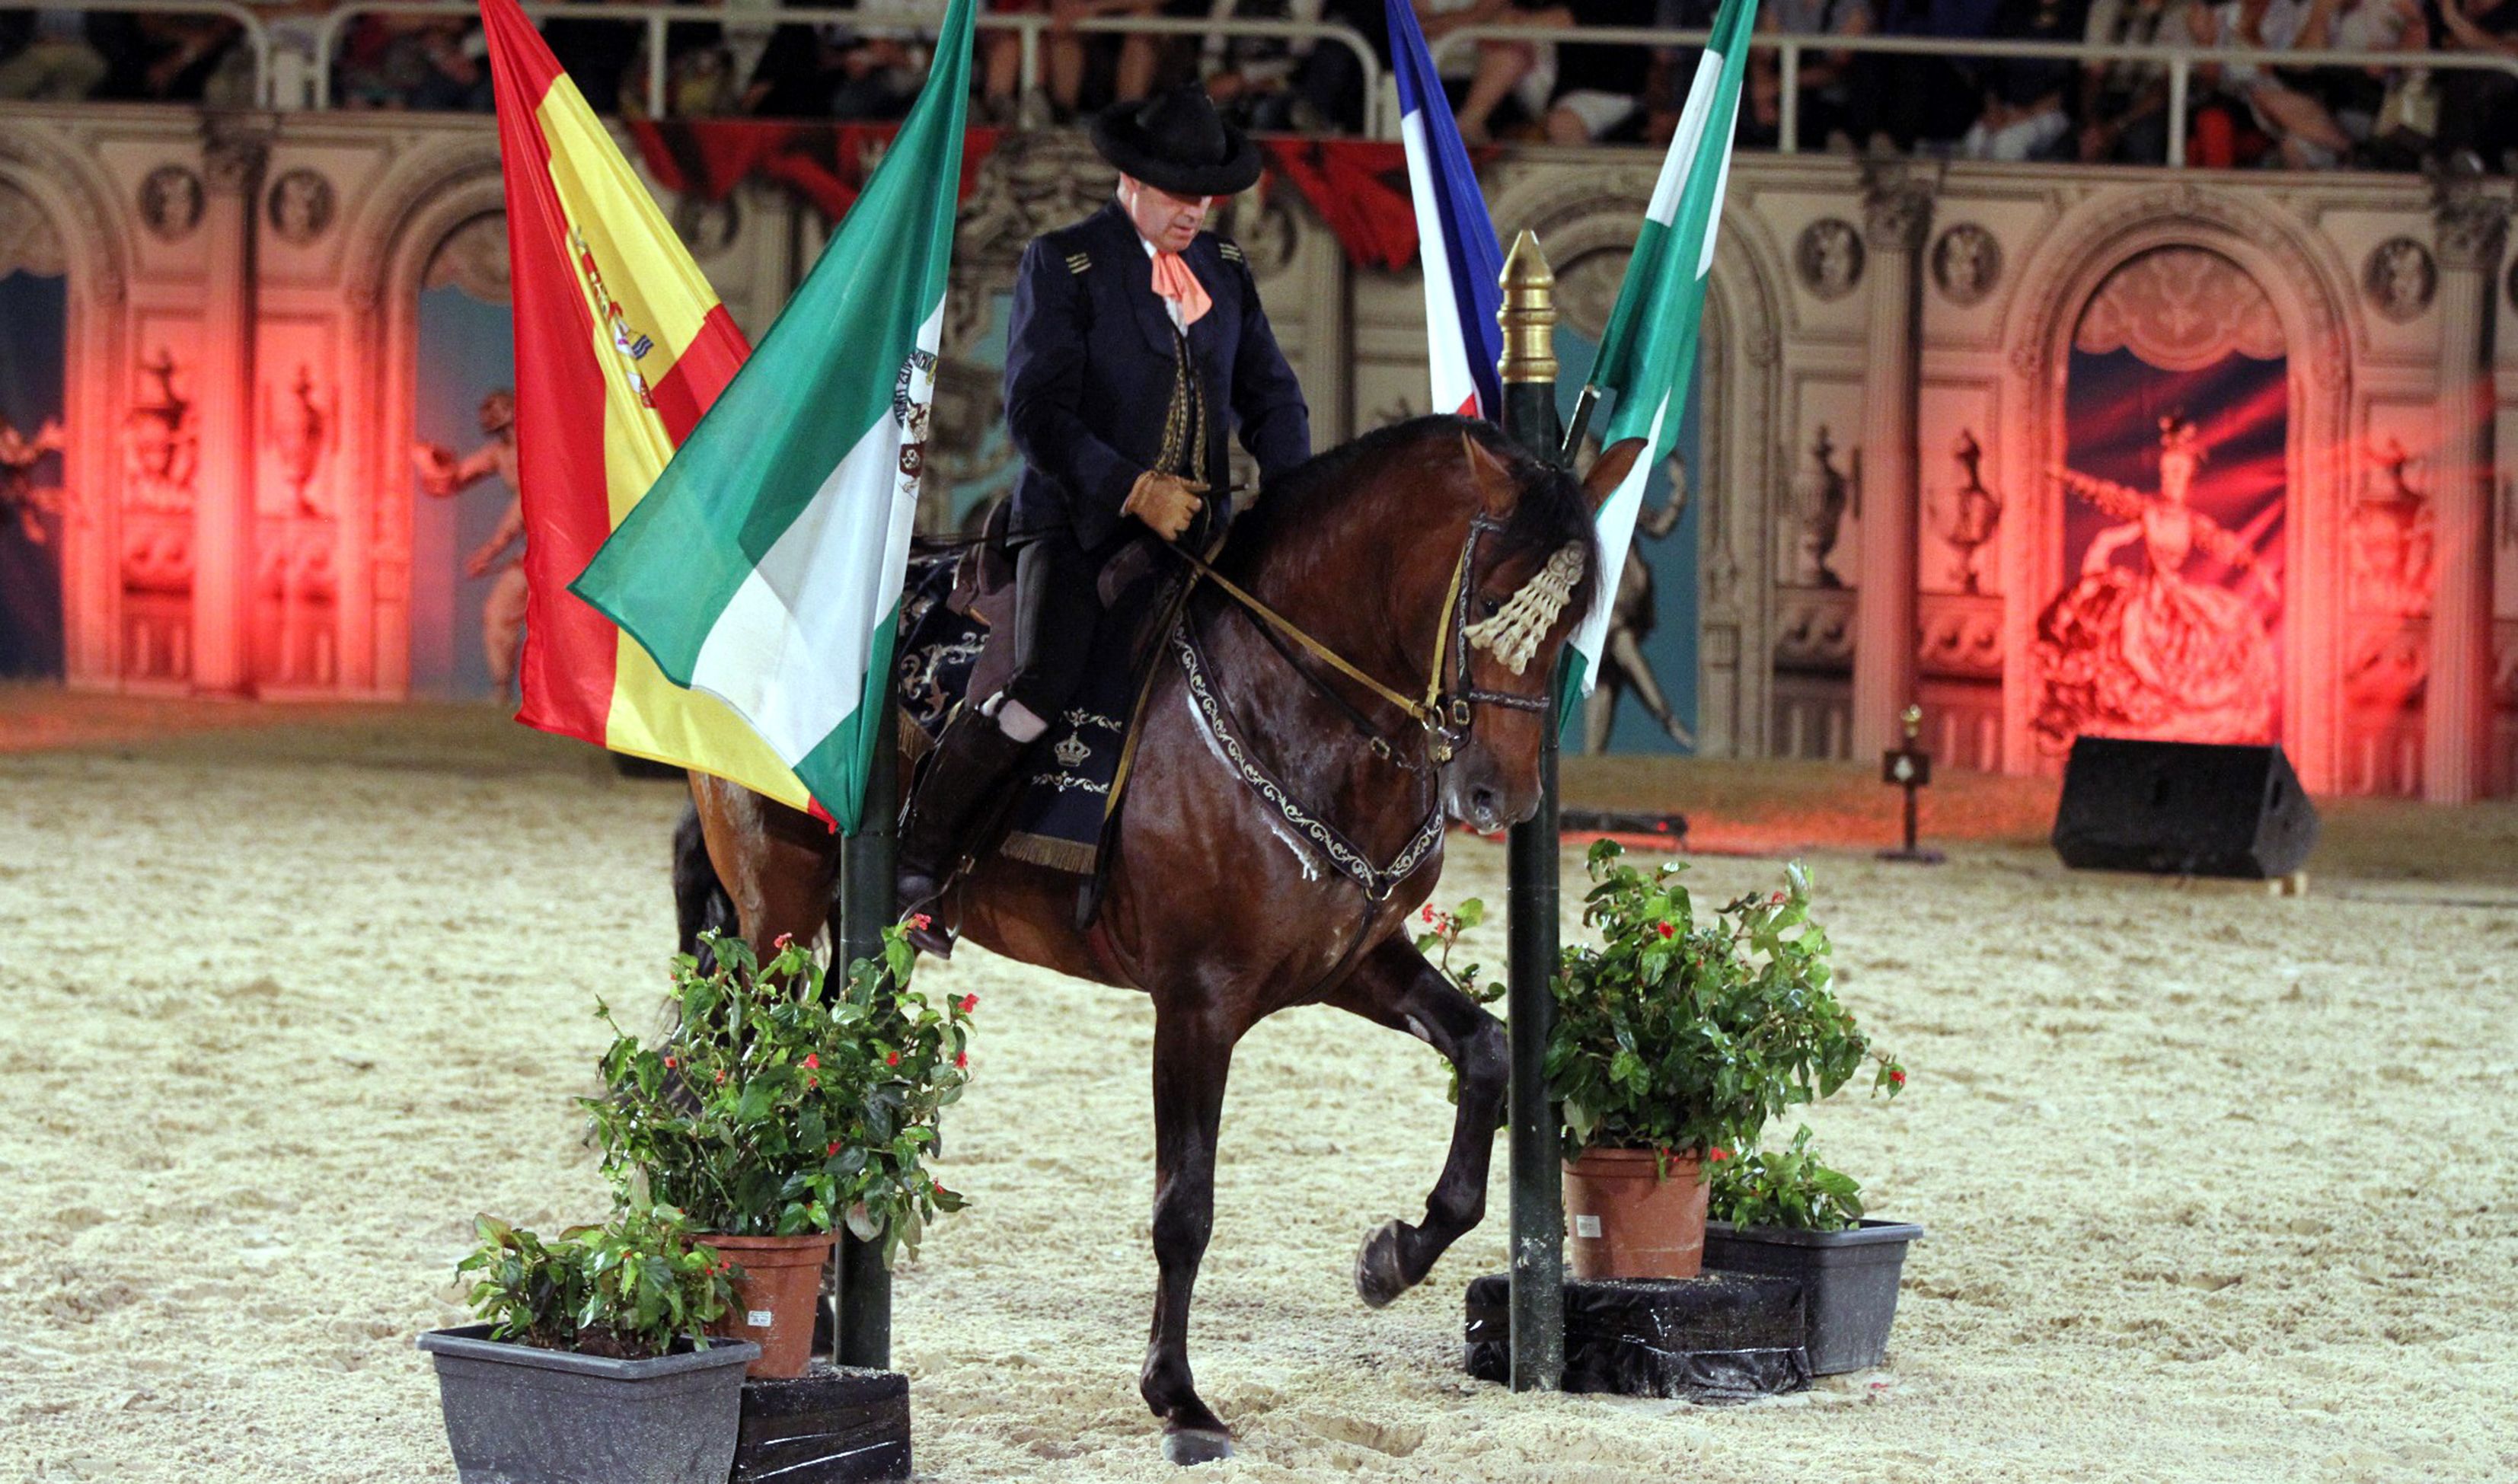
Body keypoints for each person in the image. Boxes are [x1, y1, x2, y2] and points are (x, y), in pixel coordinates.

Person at [896, 83, 1310, 914]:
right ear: (1132, 182)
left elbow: (1272, 398)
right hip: (1075, 525)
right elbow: (1035, 411)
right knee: (1046, 678)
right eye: (1176, 195)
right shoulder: (1067, 262)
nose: (1193, 210)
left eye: (1204, 197)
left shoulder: (1224, 273)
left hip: (1200, 535)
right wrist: (1133, 489)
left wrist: (1293, 490)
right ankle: (919, 861)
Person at [413, 389, 528, 694]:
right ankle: (501, 692)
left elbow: (525, 507)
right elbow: (453, 478)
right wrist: (432, 462)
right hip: (534, 553)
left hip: (572, 551)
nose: (510, 434)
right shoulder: (500, 453)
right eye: (502, 431)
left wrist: (490, 552)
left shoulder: (545, 446)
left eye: (511, 427)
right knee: (499, 613)